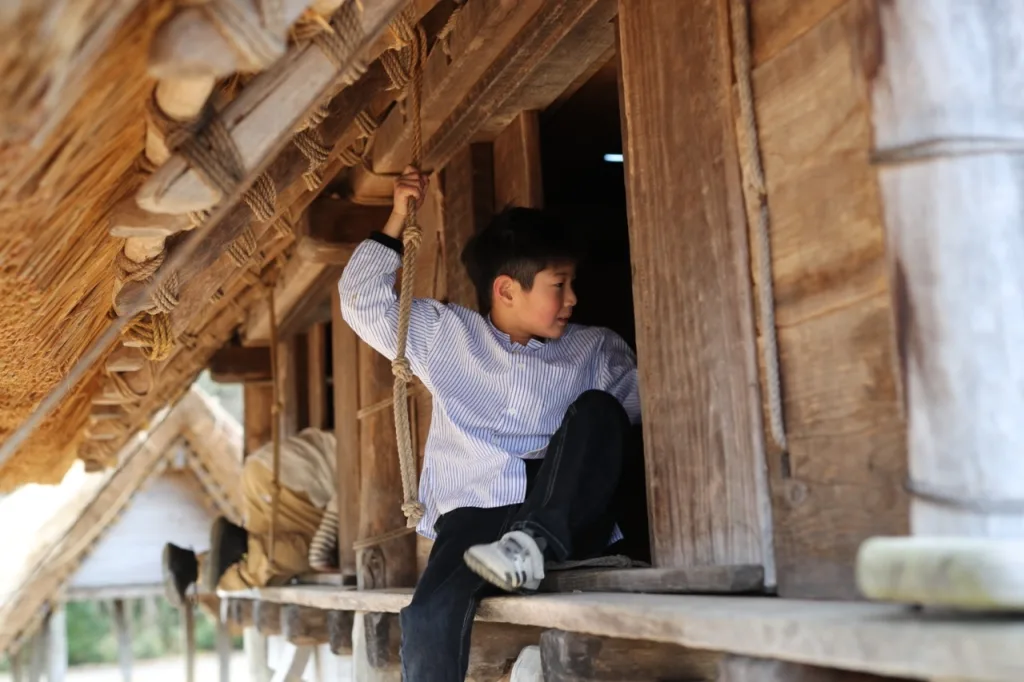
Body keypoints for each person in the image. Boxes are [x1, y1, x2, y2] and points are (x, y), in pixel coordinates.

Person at [339, 168, 641, 681]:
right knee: (429, 614)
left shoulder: (597, 348)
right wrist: (396, 216)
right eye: (559, 285)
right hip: (475, 517)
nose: (572, 299)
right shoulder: (444, 334)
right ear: (506, 289)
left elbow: (631, 426)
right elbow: (362, 300)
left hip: (564, 515)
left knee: (598, 410)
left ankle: (533, 545)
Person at [161, 427, 339, 606]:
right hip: (264, 472)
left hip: (297, 472)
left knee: (280, 559)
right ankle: (221, 558)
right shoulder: (259, 520)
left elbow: (302, 558)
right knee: (262, 554)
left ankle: (237, 550)